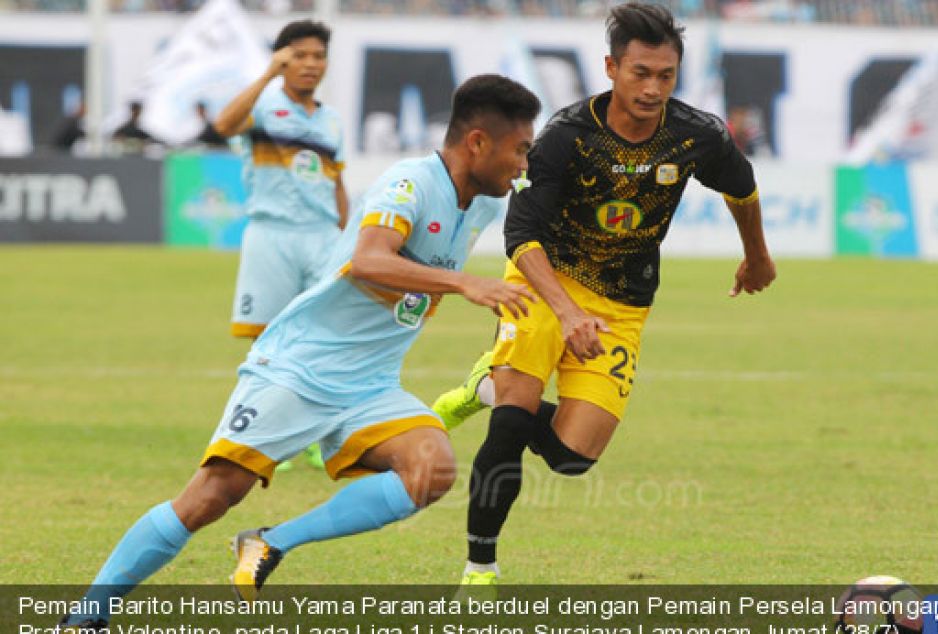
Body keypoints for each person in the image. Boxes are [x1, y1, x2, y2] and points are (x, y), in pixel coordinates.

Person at [58, 74, 540, 627]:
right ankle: (84, 617)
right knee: (210, 497)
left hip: (370, 382)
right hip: (300, 368)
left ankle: (270, 543)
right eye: (519, 150)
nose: (523, 164)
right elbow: (368, 260)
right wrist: (464, 284)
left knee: (431, 470)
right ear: (477, 142)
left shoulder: (478, 204)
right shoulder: (409, 184)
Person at [443, 2, 776, 586]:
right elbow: (520, 234)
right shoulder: (565, 137)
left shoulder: (694, 135)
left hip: (623, 302)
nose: (652, 88)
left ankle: (485, 385)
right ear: (611, 68)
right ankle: (481, 567)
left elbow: (743, 187)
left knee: (573, 458)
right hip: (545, 286)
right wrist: (566, 311)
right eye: (640, 73)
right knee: (515, 422)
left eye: (665, 76)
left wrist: (756, 255)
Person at [215, 20, 347, 472]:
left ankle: (315, 434)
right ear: (283, 58)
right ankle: (255, 431)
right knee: (267, 340)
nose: (311, 64)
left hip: (323, 235)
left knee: (323, 335)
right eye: (300, 55)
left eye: (318, 56)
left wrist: (349, 236)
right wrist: (267, 74)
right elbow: (223, 124)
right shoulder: (263, 106)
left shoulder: (331, 120)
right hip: (271, 233)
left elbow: (337, 181)